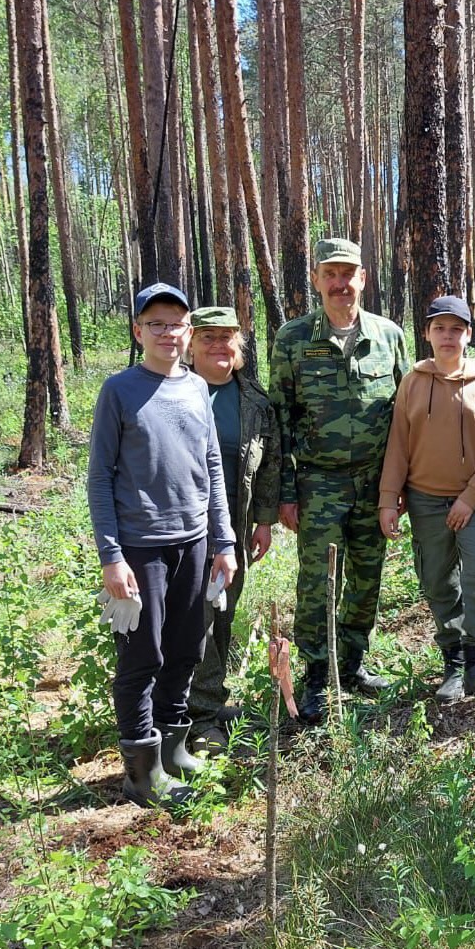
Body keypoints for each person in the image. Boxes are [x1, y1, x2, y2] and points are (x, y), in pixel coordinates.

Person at [87, 283, 236, 808]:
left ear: (187, 331)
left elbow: (212, 466)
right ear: (138, 331)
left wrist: (224, 539)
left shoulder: (196, 389)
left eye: (175, 323)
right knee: (141, 655)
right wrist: (112, 556)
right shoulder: (119, 391)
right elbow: (99, 477)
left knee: (186, 646)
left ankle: (174, 748)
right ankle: (142, 772)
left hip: (194, 543)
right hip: (140, 548)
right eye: (156, 324)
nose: (167, 332)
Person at [270, 237, 410, 724]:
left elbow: (404, 417)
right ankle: (314, 675)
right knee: (317, 584)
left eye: (347, 274)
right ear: (316, 280)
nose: (339, 284)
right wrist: (286, 493)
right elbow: (281, 420)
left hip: (374, 484)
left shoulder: (388, 335)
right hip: (319, 484)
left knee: (366, 579)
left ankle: (351, 666)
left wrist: (399, 487)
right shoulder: (292, 338)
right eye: (329, 274)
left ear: (363, 279)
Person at [378, 295, 475, 703]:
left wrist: (470, 498)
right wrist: (388, 499)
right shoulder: (412, 383)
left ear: (469, 334)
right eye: (440, 328)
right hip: (424, 501)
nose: (448, 336)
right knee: (437, 581)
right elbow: (398, 444)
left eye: (457, 329)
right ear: (427, 334)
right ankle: (453, 662)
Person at [184, 306, 281, 753]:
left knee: (222, 614)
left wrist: (264, 521)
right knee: (195, 620)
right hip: (183, 530)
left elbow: (269, 466)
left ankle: (208, 700)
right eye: (208, 337)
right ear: (191, 343)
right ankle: (199, 716)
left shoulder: (254, 402)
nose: (219, 346)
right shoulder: (174, 391)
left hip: (234, 530)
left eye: (227, 337)